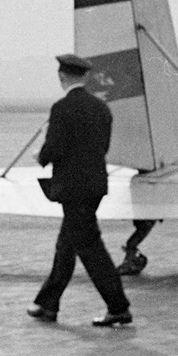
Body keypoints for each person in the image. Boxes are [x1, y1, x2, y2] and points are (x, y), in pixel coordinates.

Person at [26, 54, 133, 328]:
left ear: (62, 77)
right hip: (94, 185)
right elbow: (103, 147)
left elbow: (55, 147)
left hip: (73, 189)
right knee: (67, 244)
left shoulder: (61, 108)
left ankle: (118, 308)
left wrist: (41, 156)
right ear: (85, 77)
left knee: (89, 248)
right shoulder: (101, 108)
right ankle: (47, 304)